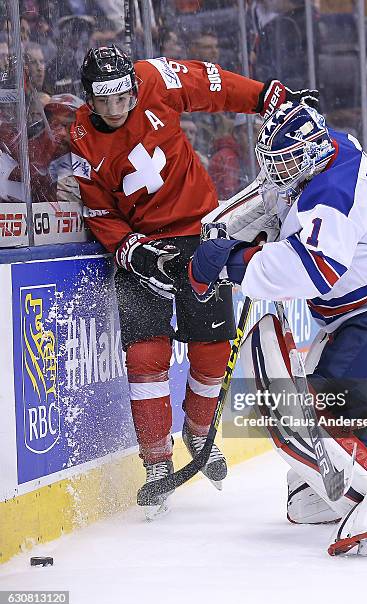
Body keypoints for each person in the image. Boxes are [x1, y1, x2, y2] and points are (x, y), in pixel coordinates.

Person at [189, 102, 367, 555]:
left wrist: (233, 262)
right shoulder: (335, 144)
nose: (277, 172)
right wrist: (226, 230)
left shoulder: (331, 192)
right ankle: (332, 489)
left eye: (287, 162)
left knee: (331, 400)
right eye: (273, 160)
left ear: (312, 155)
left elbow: (313, 267)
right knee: (329, 402)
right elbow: (277, 198)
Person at [70, 45, 319, 517]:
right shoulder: (81, 138)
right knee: (145, 353)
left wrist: (267, 97)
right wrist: (129, 248)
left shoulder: (155, 79)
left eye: (123, 97)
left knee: (213, 350)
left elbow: (213, 84)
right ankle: (157, 462)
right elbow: (99, 209)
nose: (118, 109)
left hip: (199, 234)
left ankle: (200, 431)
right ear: (90, 100)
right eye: (105, 101)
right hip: (141, 247)